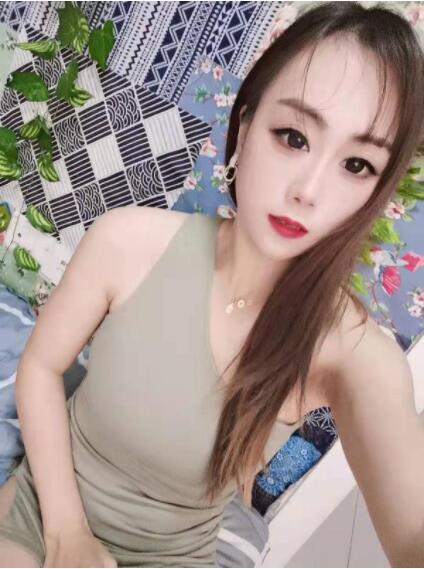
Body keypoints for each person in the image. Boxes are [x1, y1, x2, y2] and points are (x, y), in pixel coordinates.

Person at [1, 1, 424, 567]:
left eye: (356, 166)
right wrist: (65, 534)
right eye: (294, 136)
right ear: (245, 128)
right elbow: (40, 367)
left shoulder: (346, 348)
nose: (309, 190)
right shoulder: (127, 240)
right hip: (44, 511)